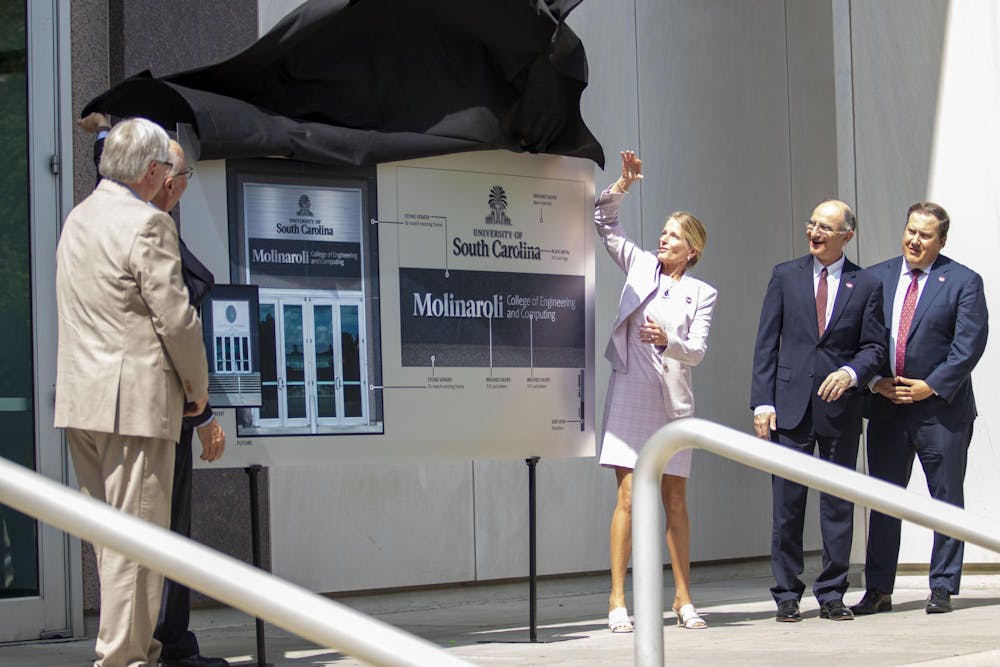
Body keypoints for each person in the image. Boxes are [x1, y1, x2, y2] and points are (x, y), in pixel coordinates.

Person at [55, 117, 209, 667]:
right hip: (135, 407)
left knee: (113, 547)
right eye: (168, 168)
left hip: (82, 403)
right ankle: (121, 659)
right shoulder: (149, 225)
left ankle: (136, 649)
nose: (171, 177)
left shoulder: (77, 218)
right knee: (136, 547)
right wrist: (199, 391)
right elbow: (178, 320)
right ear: (150, 171)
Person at [596, 150, 717, 632]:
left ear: (692, 250)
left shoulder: (702, 293)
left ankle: (684, 599)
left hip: (672, 402)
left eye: (674, 236)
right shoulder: (640, 265)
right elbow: (604, 222)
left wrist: (671, 341)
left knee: (675, 501)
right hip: (630, 391)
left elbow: (699, 351)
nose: (664, 240)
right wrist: (623, 184)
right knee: (628, 498)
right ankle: (617, 600)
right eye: (664, 233)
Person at [750, 200, 885, 623]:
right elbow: (766, 344)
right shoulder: (785, 276)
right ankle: (787, 593)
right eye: (811, 224)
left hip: (840, 409)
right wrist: (763, 401)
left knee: (837, 505)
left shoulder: (866, 284)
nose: (815, 233)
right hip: (789, 409)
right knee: (787, 506)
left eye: (825, 227)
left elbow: (875, 348)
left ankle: (832, 593)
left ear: (847, 235)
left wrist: (851, 372)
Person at [852, 202, 988, 616]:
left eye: (925, 235)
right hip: (888, 407)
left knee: (945, 498)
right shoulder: (876, 277)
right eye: (911, 231)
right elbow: (859, 337)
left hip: (940, 411)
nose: (914, 240)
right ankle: (878, 589)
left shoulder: (963, 281)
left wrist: (932, 386)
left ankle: (942, 586)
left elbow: (969, 345)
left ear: (941, 241)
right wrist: (875, 381)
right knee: (884, 499)